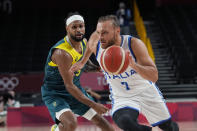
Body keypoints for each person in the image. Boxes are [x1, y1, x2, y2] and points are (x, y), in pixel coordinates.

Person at [70, 15, 179, 131]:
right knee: (124, 121)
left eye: (105, 33)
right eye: (99, 32)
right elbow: (90, 44)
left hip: (145, 91)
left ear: (117, 31)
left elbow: (154, 76)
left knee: (168, 127)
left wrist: (133, 65)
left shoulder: (134, 45)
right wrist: (82, 62)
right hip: (122, 96)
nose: (100, 37)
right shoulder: (97, 44)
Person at [41, 12, 114, 131]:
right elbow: (69, 86)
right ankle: (57, 129)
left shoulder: (84, 42)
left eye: (81, 26)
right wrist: (94, 104)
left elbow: (83, 63)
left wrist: (97, 68)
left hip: (76, 89)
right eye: (74, 27)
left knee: (107, 126)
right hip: (56, 93)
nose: (78, 30)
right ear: (67, 29)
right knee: (71, 124)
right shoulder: (62, 53)